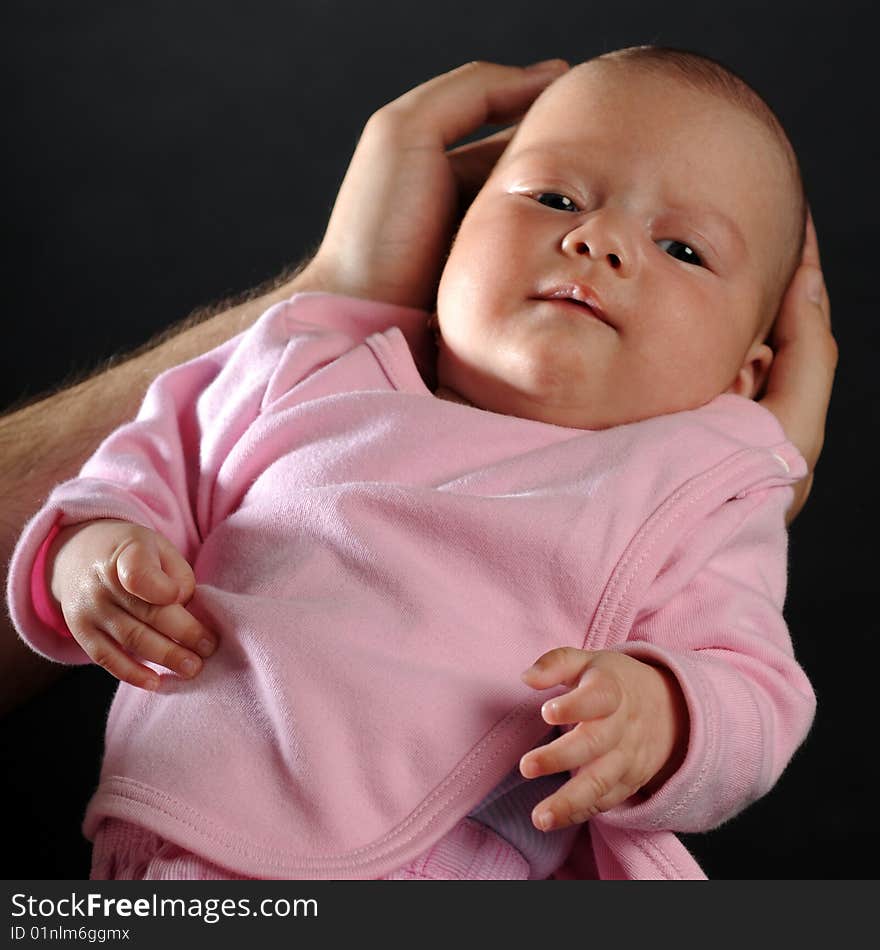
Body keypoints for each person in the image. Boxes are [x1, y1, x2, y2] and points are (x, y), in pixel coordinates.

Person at [4, 49, 836, 880]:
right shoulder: (310, 362)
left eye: (683, 250)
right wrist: (90, 557)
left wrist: (666, 715)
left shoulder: (689, 492)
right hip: (171, 851)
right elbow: (137, 470)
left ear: (743, 377)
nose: (598, 239)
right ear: (453, 233)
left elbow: (757, 692)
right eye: (554, 198)